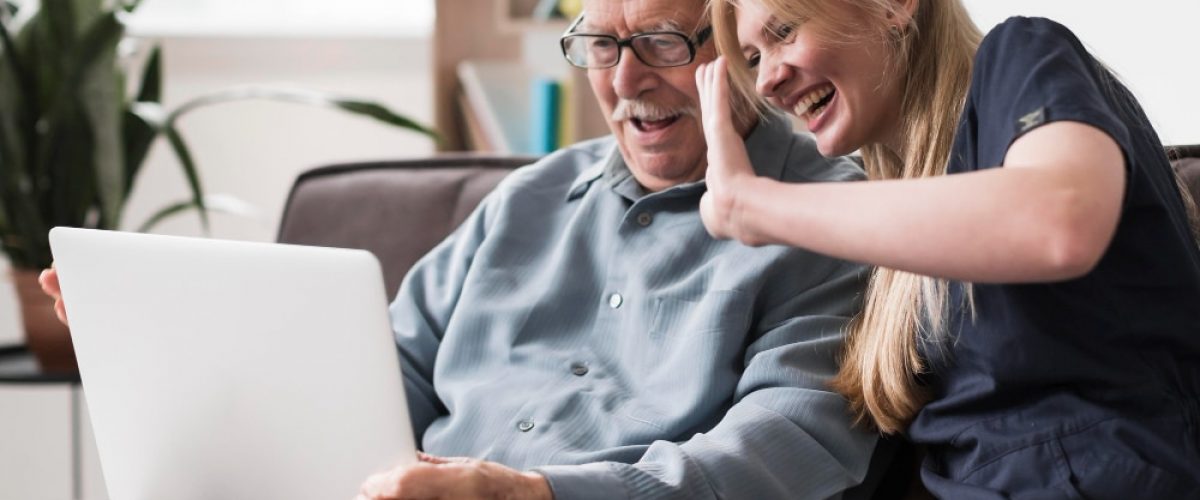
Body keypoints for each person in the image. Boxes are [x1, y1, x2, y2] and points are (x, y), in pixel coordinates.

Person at [40, 0, 887, 498]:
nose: (625, 80)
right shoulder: (527, 198)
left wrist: (541, 496)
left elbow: (794, 446)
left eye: (663, 40)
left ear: (737, 44)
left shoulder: (826, 216)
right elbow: (372, 376)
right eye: (599, 43)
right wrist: (151, 351)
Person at [695, 0, 1200, 498]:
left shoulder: (1024, 54)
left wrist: (753, 205)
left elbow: (1059, 222)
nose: (765, 82)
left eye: (784, 30)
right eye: (754, 57)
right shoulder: (897, 214)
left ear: (893, 5)